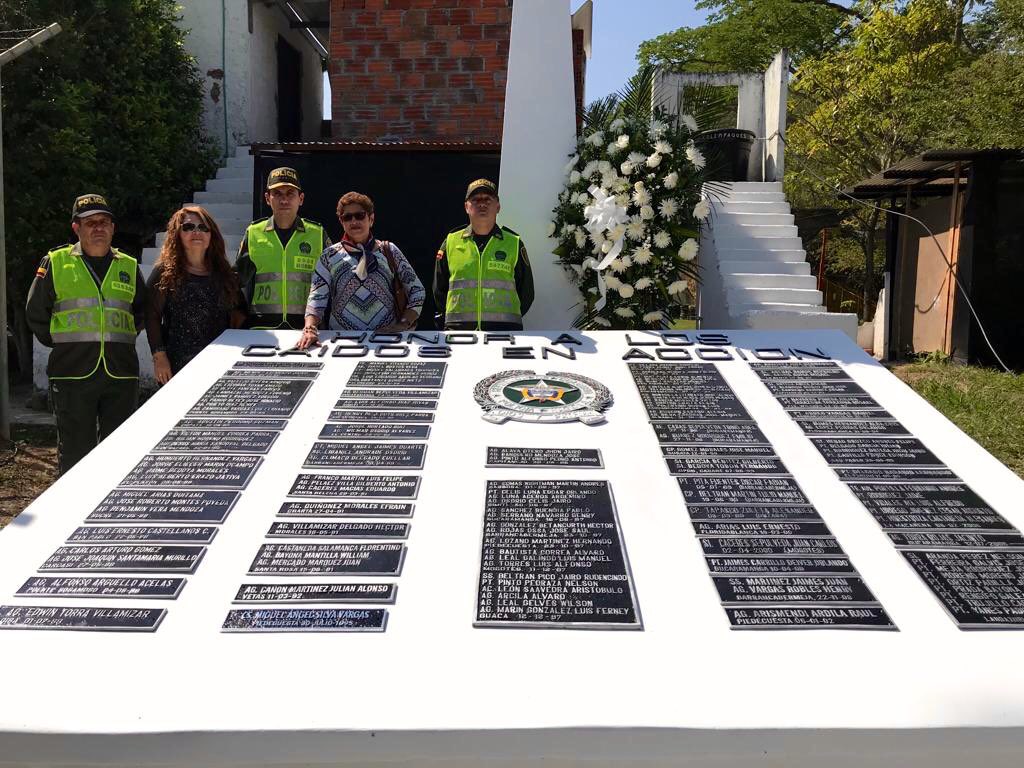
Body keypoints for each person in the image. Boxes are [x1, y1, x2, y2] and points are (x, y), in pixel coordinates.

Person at [25, 194, 147, 475]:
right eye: (90, 222)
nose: (98, 227)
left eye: (104, 221)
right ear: (76, 228)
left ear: (113, 228)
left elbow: (141, 312)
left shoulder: (128, 265)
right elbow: (36, 312)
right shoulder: (56, 262)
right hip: (72, 373)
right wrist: (64, 344)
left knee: (120, 453)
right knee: (75, 453)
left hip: (121, 374)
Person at [297, 191, 424, 349]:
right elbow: (317, 297)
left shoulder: (389, 250)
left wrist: (403, 324)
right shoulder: (329, 256)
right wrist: (309, 329)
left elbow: (417, 291)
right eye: (347, 217)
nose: (354, 221)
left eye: (359, 215)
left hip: (386, 342)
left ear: (371, 219)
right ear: (341, 221)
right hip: (342, 343)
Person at [146, 206, 245, 383]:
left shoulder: (225, 275)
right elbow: (151, 315)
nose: (196, 232)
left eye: (203, 227)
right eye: (188, 227)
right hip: (176, 366)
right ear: (177, 234)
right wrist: (159, 356)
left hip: (218, 365)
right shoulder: (164, 272)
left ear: (211, 235)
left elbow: (241, 313)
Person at [432, 178, 534, 331]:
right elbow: (439, 290)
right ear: (466, 207)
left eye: (488, 199)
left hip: (505, 333)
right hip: (459, 333)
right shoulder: (450, 242)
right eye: (476, 199)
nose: (482, 204)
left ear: (498, 206)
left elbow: (527, 293)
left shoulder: (514, 243)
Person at [234, 167, 329, 330]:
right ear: (267, 198)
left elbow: (334, 280)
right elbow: (235, 280)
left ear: (301, 198)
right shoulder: (254, 232)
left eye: (290, 194)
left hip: (306, 329)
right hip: (262, 329)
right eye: (277, 194)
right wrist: (239, 313)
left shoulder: (317, 233)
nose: (284, 200)